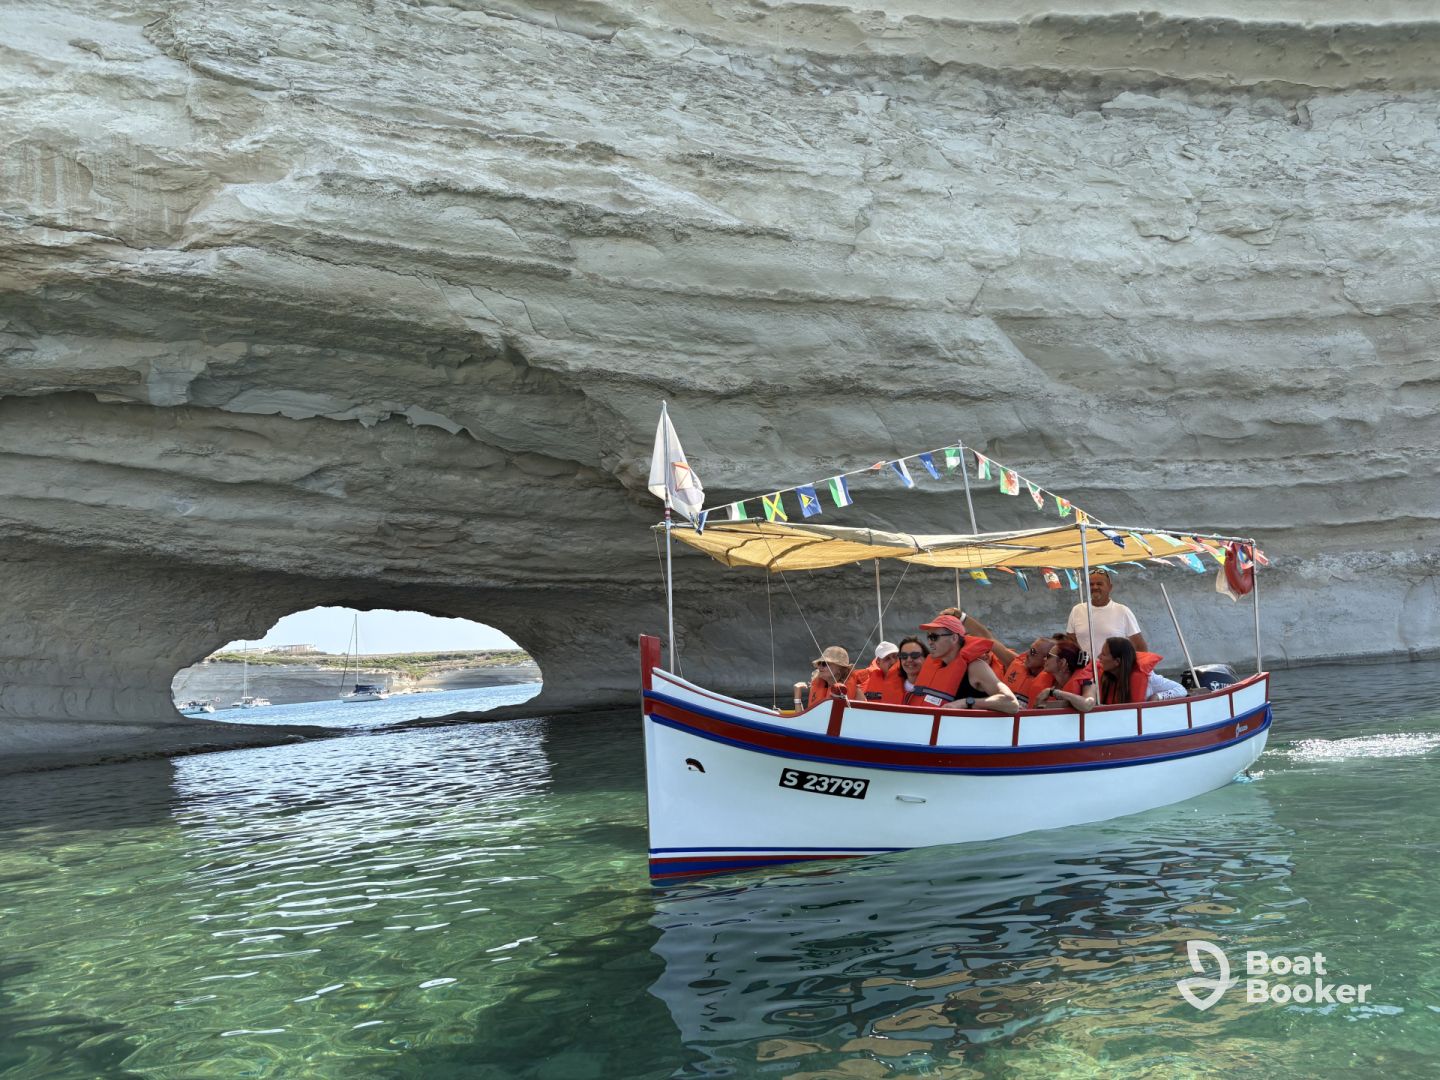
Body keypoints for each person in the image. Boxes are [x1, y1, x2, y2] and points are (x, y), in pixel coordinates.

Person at [907, 614, 1019, 715]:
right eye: (928, 637)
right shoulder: (936, 666)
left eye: (934, 637)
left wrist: (965, 703)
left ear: (954, 638)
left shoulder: (976, 667)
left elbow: (1012, 703)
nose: (930, 642)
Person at [1067, 567, 1148, 656]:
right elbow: (1070, 641)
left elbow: (1139, 646)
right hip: (1086, 665)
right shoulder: (1076, 610)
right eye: (1091, 584)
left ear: (1110, 587)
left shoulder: (1123, 611)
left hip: (1114, 665)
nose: (1095, 587)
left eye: (1099, 584)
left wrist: (1130, 664)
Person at [1096, 636, 1187, 703]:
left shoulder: (1149, 678)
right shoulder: (1103, 677)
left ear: (1117, 661)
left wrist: (1158, 696)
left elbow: (1181, 690)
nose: (1099, 657)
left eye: (1103, 654)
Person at [1032, 640, 1096, 712]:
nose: (1044, 659)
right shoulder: (1050, 681)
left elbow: (1088, 704)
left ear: (1062, 662)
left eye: (1049, 656)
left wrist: (1054, 692)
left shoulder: (1087, 682)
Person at [1002, 638, 1056, 708]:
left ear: (1046, 659)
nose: (1027, 654)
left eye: (1033, 652)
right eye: (1030, 649)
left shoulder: (1055, 684)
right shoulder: (1016, 665)